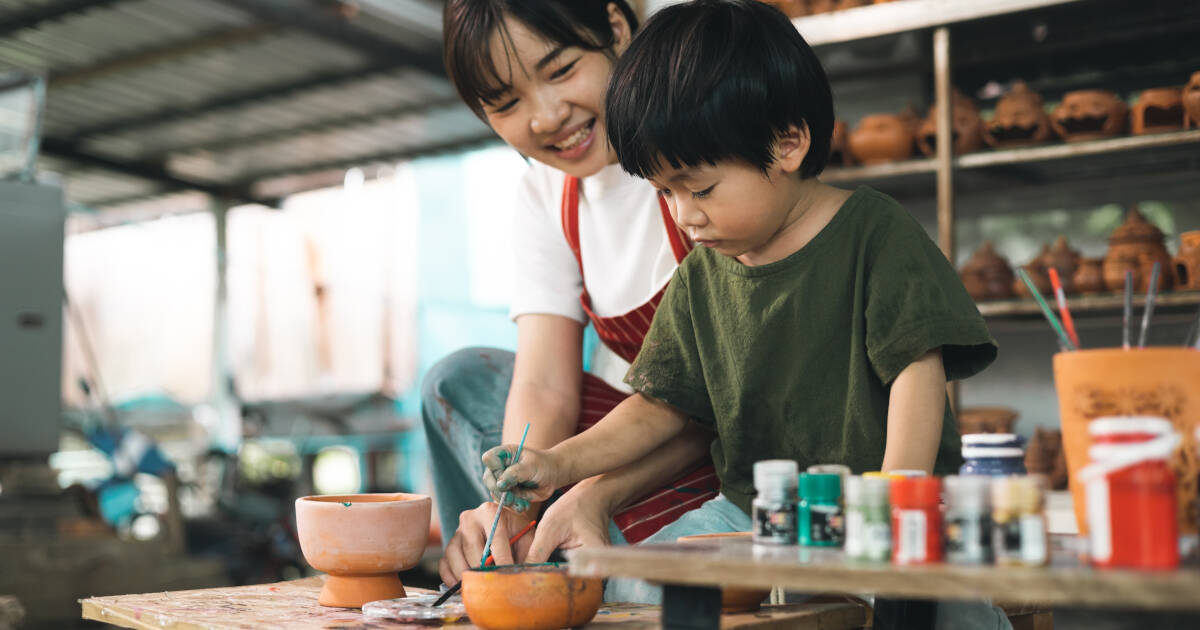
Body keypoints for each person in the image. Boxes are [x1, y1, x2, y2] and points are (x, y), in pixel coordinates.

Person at [482, 1, 1004, 620]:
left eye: (698, 188)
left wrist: (891, 501)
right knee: (637, 590)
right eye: (665, 193)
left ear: (787, 143)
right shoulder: (703, 274)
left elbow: (919, 374)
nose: (684, 215)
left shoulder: (875, 235)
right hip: (749, 514)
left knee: (952, 618)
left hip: (885, 512)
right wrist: (555, 463)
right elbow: (658, 409)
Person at [424, 0, 720, 588]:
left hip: (722, 441)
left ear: (615, 25)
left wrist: (592, 492)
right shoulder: (547, 194)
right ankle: (494, 567)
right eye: (506, 103)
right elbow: (545, 385)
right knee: (455, 382)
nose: (546, 116)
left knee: (635, 586)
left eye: (560, 71)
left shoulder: (700, 153)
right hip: (635, 430)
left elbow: (717, 405)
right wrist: (511, 505)